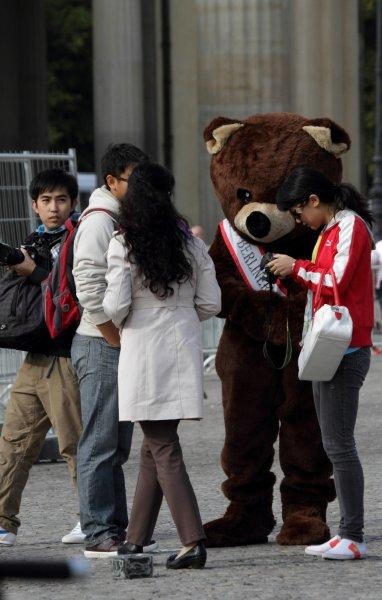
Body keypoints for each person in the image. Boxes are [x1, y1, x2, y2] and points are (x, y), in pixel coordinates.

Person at [102, 161, 221, 569]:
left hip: (144, 348)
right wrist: (180, 315)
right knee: (154, 445)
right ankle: (136, 539)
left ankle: (192, 539)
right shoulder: (190, 242)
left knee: (162, 444)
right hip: (182, 344)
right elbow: (211, 303)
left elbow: (114, 305)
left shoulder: (124, 242)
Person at [267, 165, 374, 561]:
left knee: (340, 446)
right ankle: (348, 532)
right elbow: (324, 285)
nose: (299, 221)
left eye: (298, 212)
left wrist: (295, 268)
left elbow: (335, 280)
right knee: (335, 445)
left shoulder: (350, 227)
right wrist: (291, 274)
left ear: (314, 201)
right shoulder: (332, 229)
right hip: (332, 347)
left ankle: (353, 534)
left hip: (345, 349)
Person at [71, 143, 157, 558]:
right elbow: (86, 284)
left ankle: (115, 529)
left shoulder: (120, 216)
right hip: (100, 340)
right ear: (112, 181)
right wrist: (112, 337)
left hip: (114, 340)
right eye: (133, 179)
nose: (139, 187)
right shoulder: (99, 220)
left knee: (116, 444)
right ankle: (99, 532)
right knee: (100, 442)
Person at [0, 168, 82, 546]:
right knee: (13, 442)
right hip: (33, 355)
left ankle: (93, 518)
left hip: (65, 356)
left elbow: (73, 295)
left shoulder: (80, 240)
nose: (54, 208)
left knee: (75, 443)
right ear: (34, 206)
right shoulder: (31, 241)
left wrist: (32, 270)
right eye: (46, 201)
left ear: (72, 203)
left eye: (61, 200)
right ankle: (3, 522)